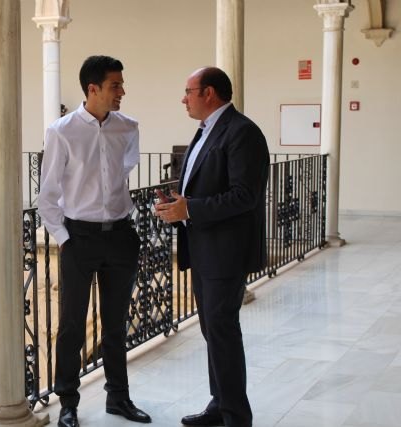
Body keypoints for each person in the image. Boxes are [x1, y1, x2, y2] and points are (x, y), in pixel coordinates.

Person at [38, 55, 151, 427]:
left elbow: (125, 168)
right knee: (72, 324)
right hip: (79, 238)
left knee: (117, 322)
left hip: (120, 235)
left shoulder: (128, 127)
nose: (122, 91)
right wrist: (65, 239)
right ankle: (68, 403)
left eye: (121, 84)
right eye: (115, 85)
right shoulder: (62, 131)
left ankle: (118, 397)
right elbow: (48, 195)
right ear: (93, 89)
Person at [154, 67, 269, 427]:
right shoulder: (206, 130)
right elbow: (209, 184)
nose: (183, 98)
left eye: (188, 91)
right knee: (212, 330)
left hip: (225, 251)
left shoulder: (242, 132)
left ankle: (236, 416)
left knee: (222, 330)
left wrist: (190, 209)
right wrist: (179, 202)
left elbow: (245, 195)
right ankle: (220, 404)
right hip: (203, 247)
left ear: (210, 93)